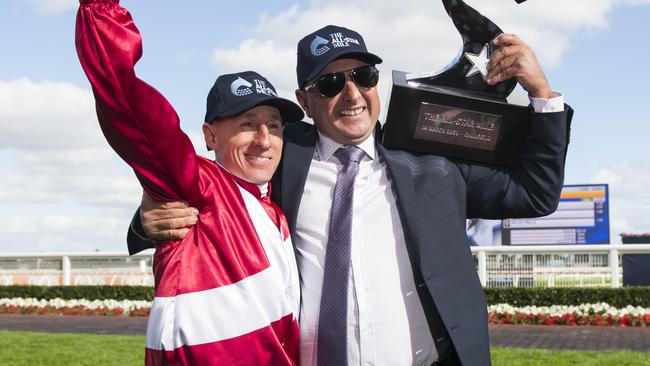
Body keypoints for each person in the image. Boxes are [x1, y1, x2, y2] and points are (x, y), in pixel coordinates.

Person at [129, 24, 573, 365]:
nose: (352, 93)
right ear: (305, 101)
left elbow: (534, 194)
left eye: (363, 75)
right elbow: (217, 184)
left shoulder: (432, 160)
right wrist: (148, 217)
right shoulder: (285, 156)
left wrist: (541, 94)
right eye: (330, 84)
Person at [75, 1, 305, 364]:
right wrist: (100, 10)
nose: (264, 138)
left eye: (273, 125)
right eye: (247, 124)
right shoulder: (196, 184)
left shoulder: (276, 207)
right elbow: (128, 101)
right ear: (211, 136)